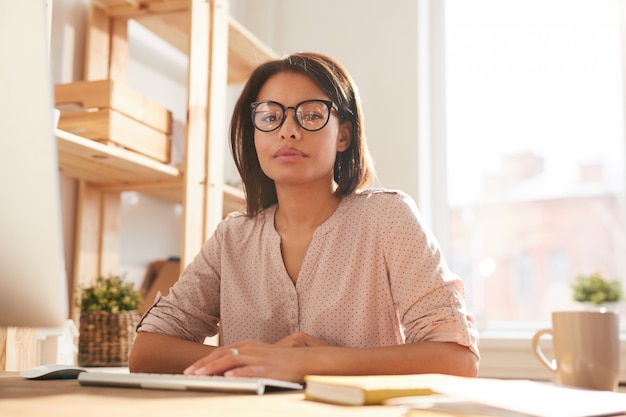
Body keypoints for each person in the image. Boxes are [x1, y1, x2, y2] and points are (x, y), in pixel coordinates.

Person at [129, 52, 480, 383]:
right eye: (269, 116)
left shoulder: (388, 217)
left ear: (343, 135)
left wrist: (308, 362)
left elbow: (457, 359)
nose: (288, 131)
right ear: (253, 136)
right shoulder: (232, 237)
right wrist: (255, 359)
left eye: (311, 115)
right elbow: (147, 351)